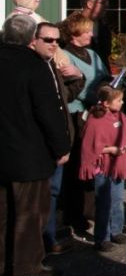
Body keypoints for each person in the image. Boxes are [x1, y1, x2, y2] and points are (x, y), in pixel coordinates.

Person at [0, 15, 71, 276]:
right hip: (28, 153)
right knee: (29, 214)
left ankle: (4, 263)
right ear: (31, 39)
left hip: (5, 151)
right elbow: (48, 113)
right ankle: (26, 267)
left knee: (3, 211)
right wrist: (61, 147)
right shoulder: (34, 67)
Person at [59, 10, 112, 236]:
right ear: (74, 35)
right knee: (75, 164)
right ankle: (72, 213)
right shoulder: (64, 56)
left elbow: (104, 75)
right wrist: (93, 96)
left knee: (92, 160)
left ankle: (89, 208)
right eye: (86, 31)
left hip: (96, 113)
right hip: (75, 115)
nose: (91, 34)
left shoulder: (93, 53)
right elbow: (71, 87)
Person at [31, 22, 81, 256]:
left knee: (52, 192)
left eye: (57, 41)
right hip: (38, 143)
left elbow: (65, 96)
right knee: (36, 196)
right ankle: (35, 245)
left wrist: (77, 76)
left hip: (58, 139)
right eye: (48, 40)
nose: (54, 45)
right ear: (34, 40)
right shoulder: (30, 67)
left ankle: (48, 239)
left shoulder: (53, 65)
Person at [79, 85, 126, 252]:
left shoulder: (120, 116)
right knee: (104, 202)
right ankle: (102, 237)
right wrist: (111, 150)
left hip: (118, 165)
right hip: (103, 167)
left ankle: (116, 230)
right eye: (118, 100)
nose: (122, 102)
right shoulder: (94, 121)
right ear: (106, 103)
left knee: (118, 200)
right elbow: (90, 147)